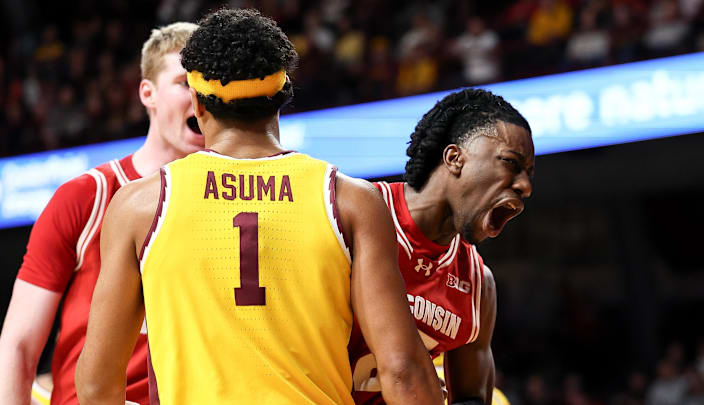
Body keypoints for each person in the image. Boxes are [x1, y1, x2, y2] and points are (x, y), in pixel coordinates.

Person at [74, 9, 443, 405]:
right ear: (283, 97)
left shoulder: (139, 205)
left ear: (197, 104)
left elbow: (97, 385)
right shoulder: (351, 200)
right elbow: (402, 369)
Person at [0, 22, 202, 405]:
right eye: (182, 83)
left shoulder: (234, 200)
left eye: (207, 84)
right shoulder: (87, 195)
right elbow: (20, 345)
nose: (198, 96)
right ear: (148, 93)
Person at [350, 88, 534, 405]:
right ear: (454, 158)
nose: (524, 187)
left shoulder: (478, 283)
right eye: (509, 163)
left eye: (527, 174)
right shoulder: (354, 214)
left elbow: (471, 399)